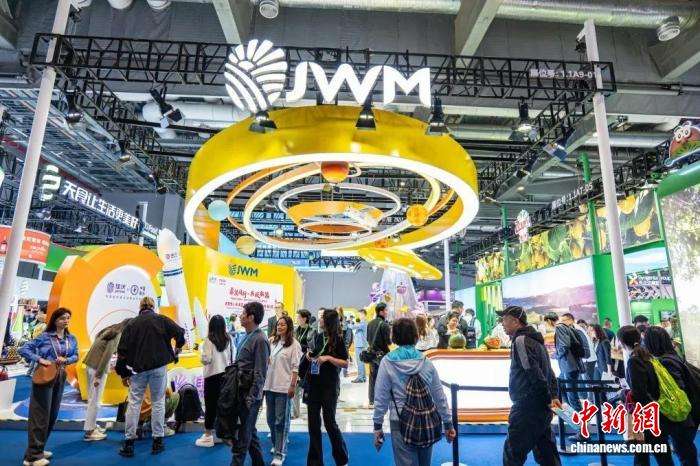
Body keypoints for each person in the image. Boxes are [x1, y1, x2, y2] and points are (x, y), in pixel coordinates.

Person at [372, 318, 456, 466]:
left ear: (394, 337)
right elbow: (439, 395)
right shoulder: (426, 361)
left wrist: (377, 426)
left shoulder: (387, 362)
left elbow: (381, 397)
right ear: (416, 336)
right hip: (426, 419)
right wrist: (448, 423)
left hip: (399, 420)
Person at [116, 297, 185, 458]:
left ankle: (129, 443)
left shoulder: (131, 324)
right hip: (159, 367)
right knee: (158, 402)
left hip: (137, 369)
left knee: (134, 403)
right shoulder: (162, 320)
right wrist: (177, 349)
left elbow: (122, 351)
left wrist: (123, 373)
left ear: (140, 307)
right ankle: (157, 441)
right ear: (153, 306)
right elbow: (180, 333)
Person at [497, 306, 561, 466]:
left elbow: (534, 373)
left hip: (528, 407)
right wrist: (552, 396)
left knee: (513, 454)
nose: (502, 323)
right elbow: (549, 372)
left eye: (504, 319)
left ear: (515, 321)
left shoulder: (520, 341)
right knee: (547, 454)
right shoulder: (537, 341)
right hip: (541, 407)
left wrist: (548, 398)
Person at [20, 308, 79, 466]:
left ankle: (38, 448)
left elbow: (76, 355)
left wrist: (66, 360)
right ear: (55, 320)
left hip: (60, 376)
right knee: (40, 415)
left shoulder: (71, 338)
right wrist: (40, 359)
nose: (66, 321)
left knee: (52, 415)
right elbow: (23, 349)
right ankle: (32, 457)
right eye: (62, 318)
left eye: (68, 318)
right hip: (45, 376)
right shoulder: (45, 337)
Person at [617, 325, 674, 466]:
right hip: (656, 410)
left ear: (622, 342)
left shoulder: (634, 360)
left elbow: (639, 392)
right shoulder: (648, 356)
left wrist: (624, 393)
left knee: (642, 456)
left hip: (644, 414)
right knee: (663, 455)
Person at [643, 326, 698, 466]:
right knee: (686, 450)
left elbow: (678, 390)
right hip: (691, 410)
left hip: (683, 413)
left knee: (684, 451)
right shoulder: (674, 356)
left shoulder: (665, 362)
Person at [305, 308, 349, 466]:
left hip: (329, 386)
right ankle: (315, 462)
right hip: (314, 384)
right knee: (313, 424)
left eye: (322, 317)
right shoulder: (318, 336)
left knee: (330, 422)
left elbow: (345, 363)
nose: (320, 319)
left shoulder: (338, 340)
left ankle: (342, 459)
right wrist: (310, 356)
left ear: (328, 321)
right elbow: (316, 355)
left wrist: (329, 358)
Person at [230, 301, 271, 466]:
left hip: (250, 395)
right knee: (250, 432)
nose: (240, 316)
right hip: (241, 391)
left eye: (243, 313)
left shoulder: (260, 339)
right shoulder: (246, 335)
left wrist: (251, 397)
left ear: (251, 317)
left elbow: (260, 373)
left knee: (244, 435)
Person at [83, 319, 131, 441]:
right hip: (97, 369)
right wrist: (99, 375)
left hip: (91, 365)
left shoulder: (110, 330)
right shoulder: (118, 335)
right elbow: (107, 354)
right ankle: (90, 432)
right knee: (95, 401)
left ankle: (91, 426)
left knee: (92, 399)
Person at [264, 315, 302, 466]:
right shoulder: (272, 342)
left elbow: (295, 368)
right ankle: (276, 444)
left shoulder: (294, 345)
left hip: (283, 387)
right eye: (278, 324)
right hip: (269, 386)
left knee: (281, 422)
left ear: (289, 327)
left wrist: (292, 386)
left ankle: (280, 454)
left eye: (283, 325)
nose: (279, 327)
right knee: (270, 419)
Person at [196, 314, 235, 448]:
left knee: (210, 406)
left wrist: (201, 355)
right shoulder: (229, 339)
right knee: (223, 406)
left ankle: (208, 435)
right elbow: (232, 357)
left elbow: (206, 359)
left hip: (212, 377)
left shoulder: (209, 340)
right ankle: (220, 434)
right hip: (226, 376)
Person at [553, 313, 584, 411]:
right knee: (563, 386)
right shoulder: (571, 329)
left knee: (571, 392)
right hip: (572, 364)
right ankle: (571, 411)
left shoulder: (560, 328)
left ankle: (578, 413)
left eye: (564, 320)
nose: (562, 322)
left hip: (569, 365)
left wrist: (557, 355)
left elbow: (564, 345)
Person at [366, 303, 391, 407]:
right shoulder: (384, 325)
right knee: (383, 378)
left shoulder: (370, 323)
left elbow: (368, 339)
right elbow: (388, 342)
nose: (387, 312)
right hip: (382, 355)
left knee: (372, 378)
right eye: (386, 310)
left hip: (372, 355)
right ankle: (381, 400)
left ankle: (372, 400)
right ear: (381, 312)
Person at [292, 309, 313, 419]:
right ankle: (295, 413)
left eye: (298, 317)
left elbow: (313, 347)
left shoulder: (312, 331)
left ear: (304, 319)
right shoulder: (296, 330)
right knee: (295, 386)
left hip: (307, 362)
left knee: (307, 388)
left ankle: (312, 411)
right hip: (297, 361)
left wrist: (301, 347)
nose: (296, 319)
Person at [348, 309, 368, 382]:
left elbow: (352, 327)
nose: (359, 316)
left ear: (363, 314)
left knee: (360, 361)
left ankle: (360, 378)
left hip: (360, 345)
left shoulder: (363, 323)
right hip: (360, 344)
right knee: (361, 361)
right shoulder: (362, 323)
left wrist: (349, 322)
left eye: (359, 314)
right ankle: (363, 377)